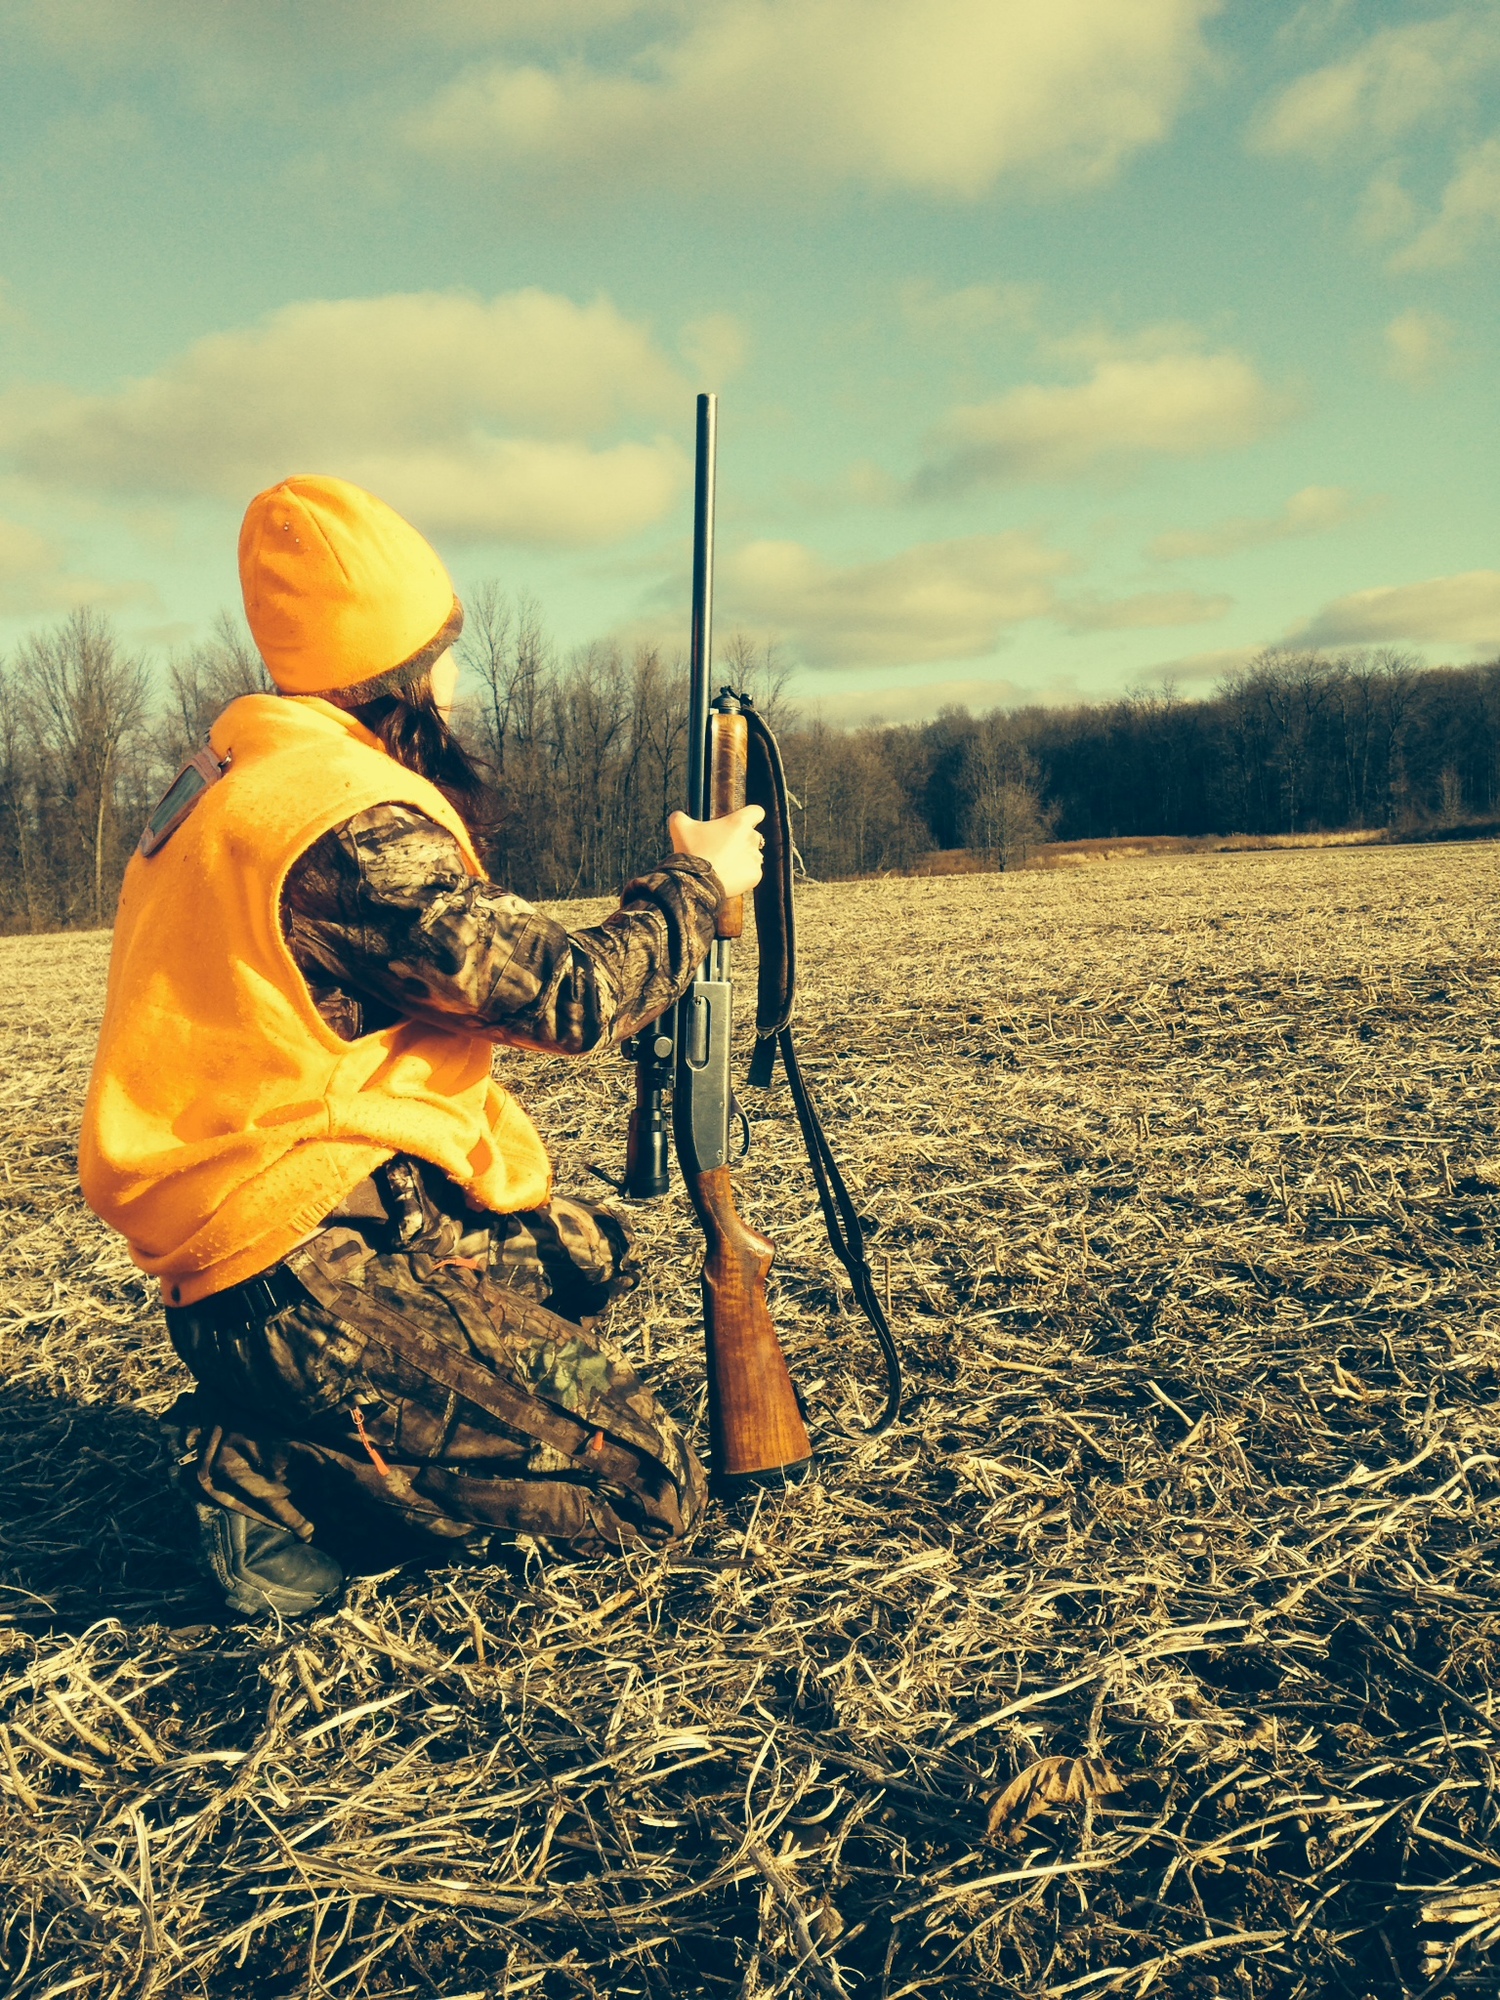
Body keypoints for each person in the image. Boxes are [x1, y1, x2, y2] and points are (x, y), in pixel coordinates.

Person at [79, 474, 764, 1617]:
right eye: (443, 650)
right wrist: (701, 888)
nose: (457, 677)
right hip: (293, 1268)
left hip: (312, 1214)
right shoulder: (341, 821)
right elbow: (570, 998)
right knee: (650, 1487)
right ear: (400, 675)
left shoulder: (243, 779)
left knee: (582, 1255)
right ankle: (261, 1465)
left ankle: (332, 1401)